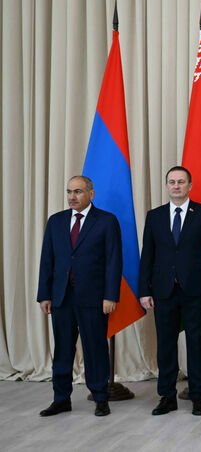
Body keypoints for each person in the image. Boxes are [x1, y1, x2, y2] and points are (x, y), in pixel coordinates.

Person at [138, 166, 201, 416]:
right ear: (166, 186)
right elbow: (147, 256)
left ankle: (198, 396)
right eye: (172, 182)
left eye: (181, 182)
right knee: (165, 345)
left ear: (190, 186)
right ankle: (167, 397)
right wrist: (144, 290)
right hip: (163, 291)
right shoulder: (154, 216)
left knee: (197, 343)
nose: (176, 186)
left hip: (196, 290)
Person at [37, 175, 122, 417]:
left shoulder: (106, 221)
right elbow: (47, 260)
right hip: (61, 297)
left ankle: (100, 398)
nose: (72, 197)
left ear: (91, 194)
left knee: (95, 348)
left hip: (94, 298)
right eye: (69, 192)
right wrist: (44, 294)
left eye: (78, 192)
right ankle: (61, 399)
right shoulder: (56, 221)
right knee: (63, 349)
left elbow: (114, 261)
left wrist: (110, 296)